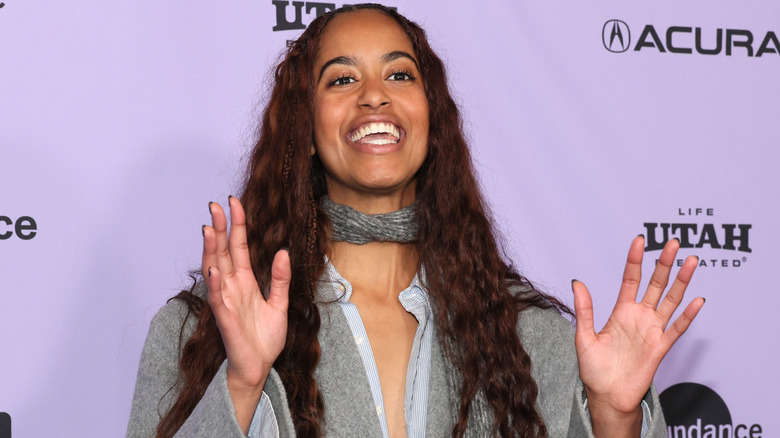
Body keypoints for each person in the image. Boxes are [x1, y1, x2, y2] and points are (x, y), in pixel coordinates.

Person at [126, 4, 704, 438]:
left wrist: (614, 416)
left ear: (433, 118)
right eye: (342, 79)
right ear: (305, 129)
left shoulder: (527, 337)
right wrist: (243, 382)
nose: (374, 96)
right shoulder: (202, 331)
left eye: (400, 75)